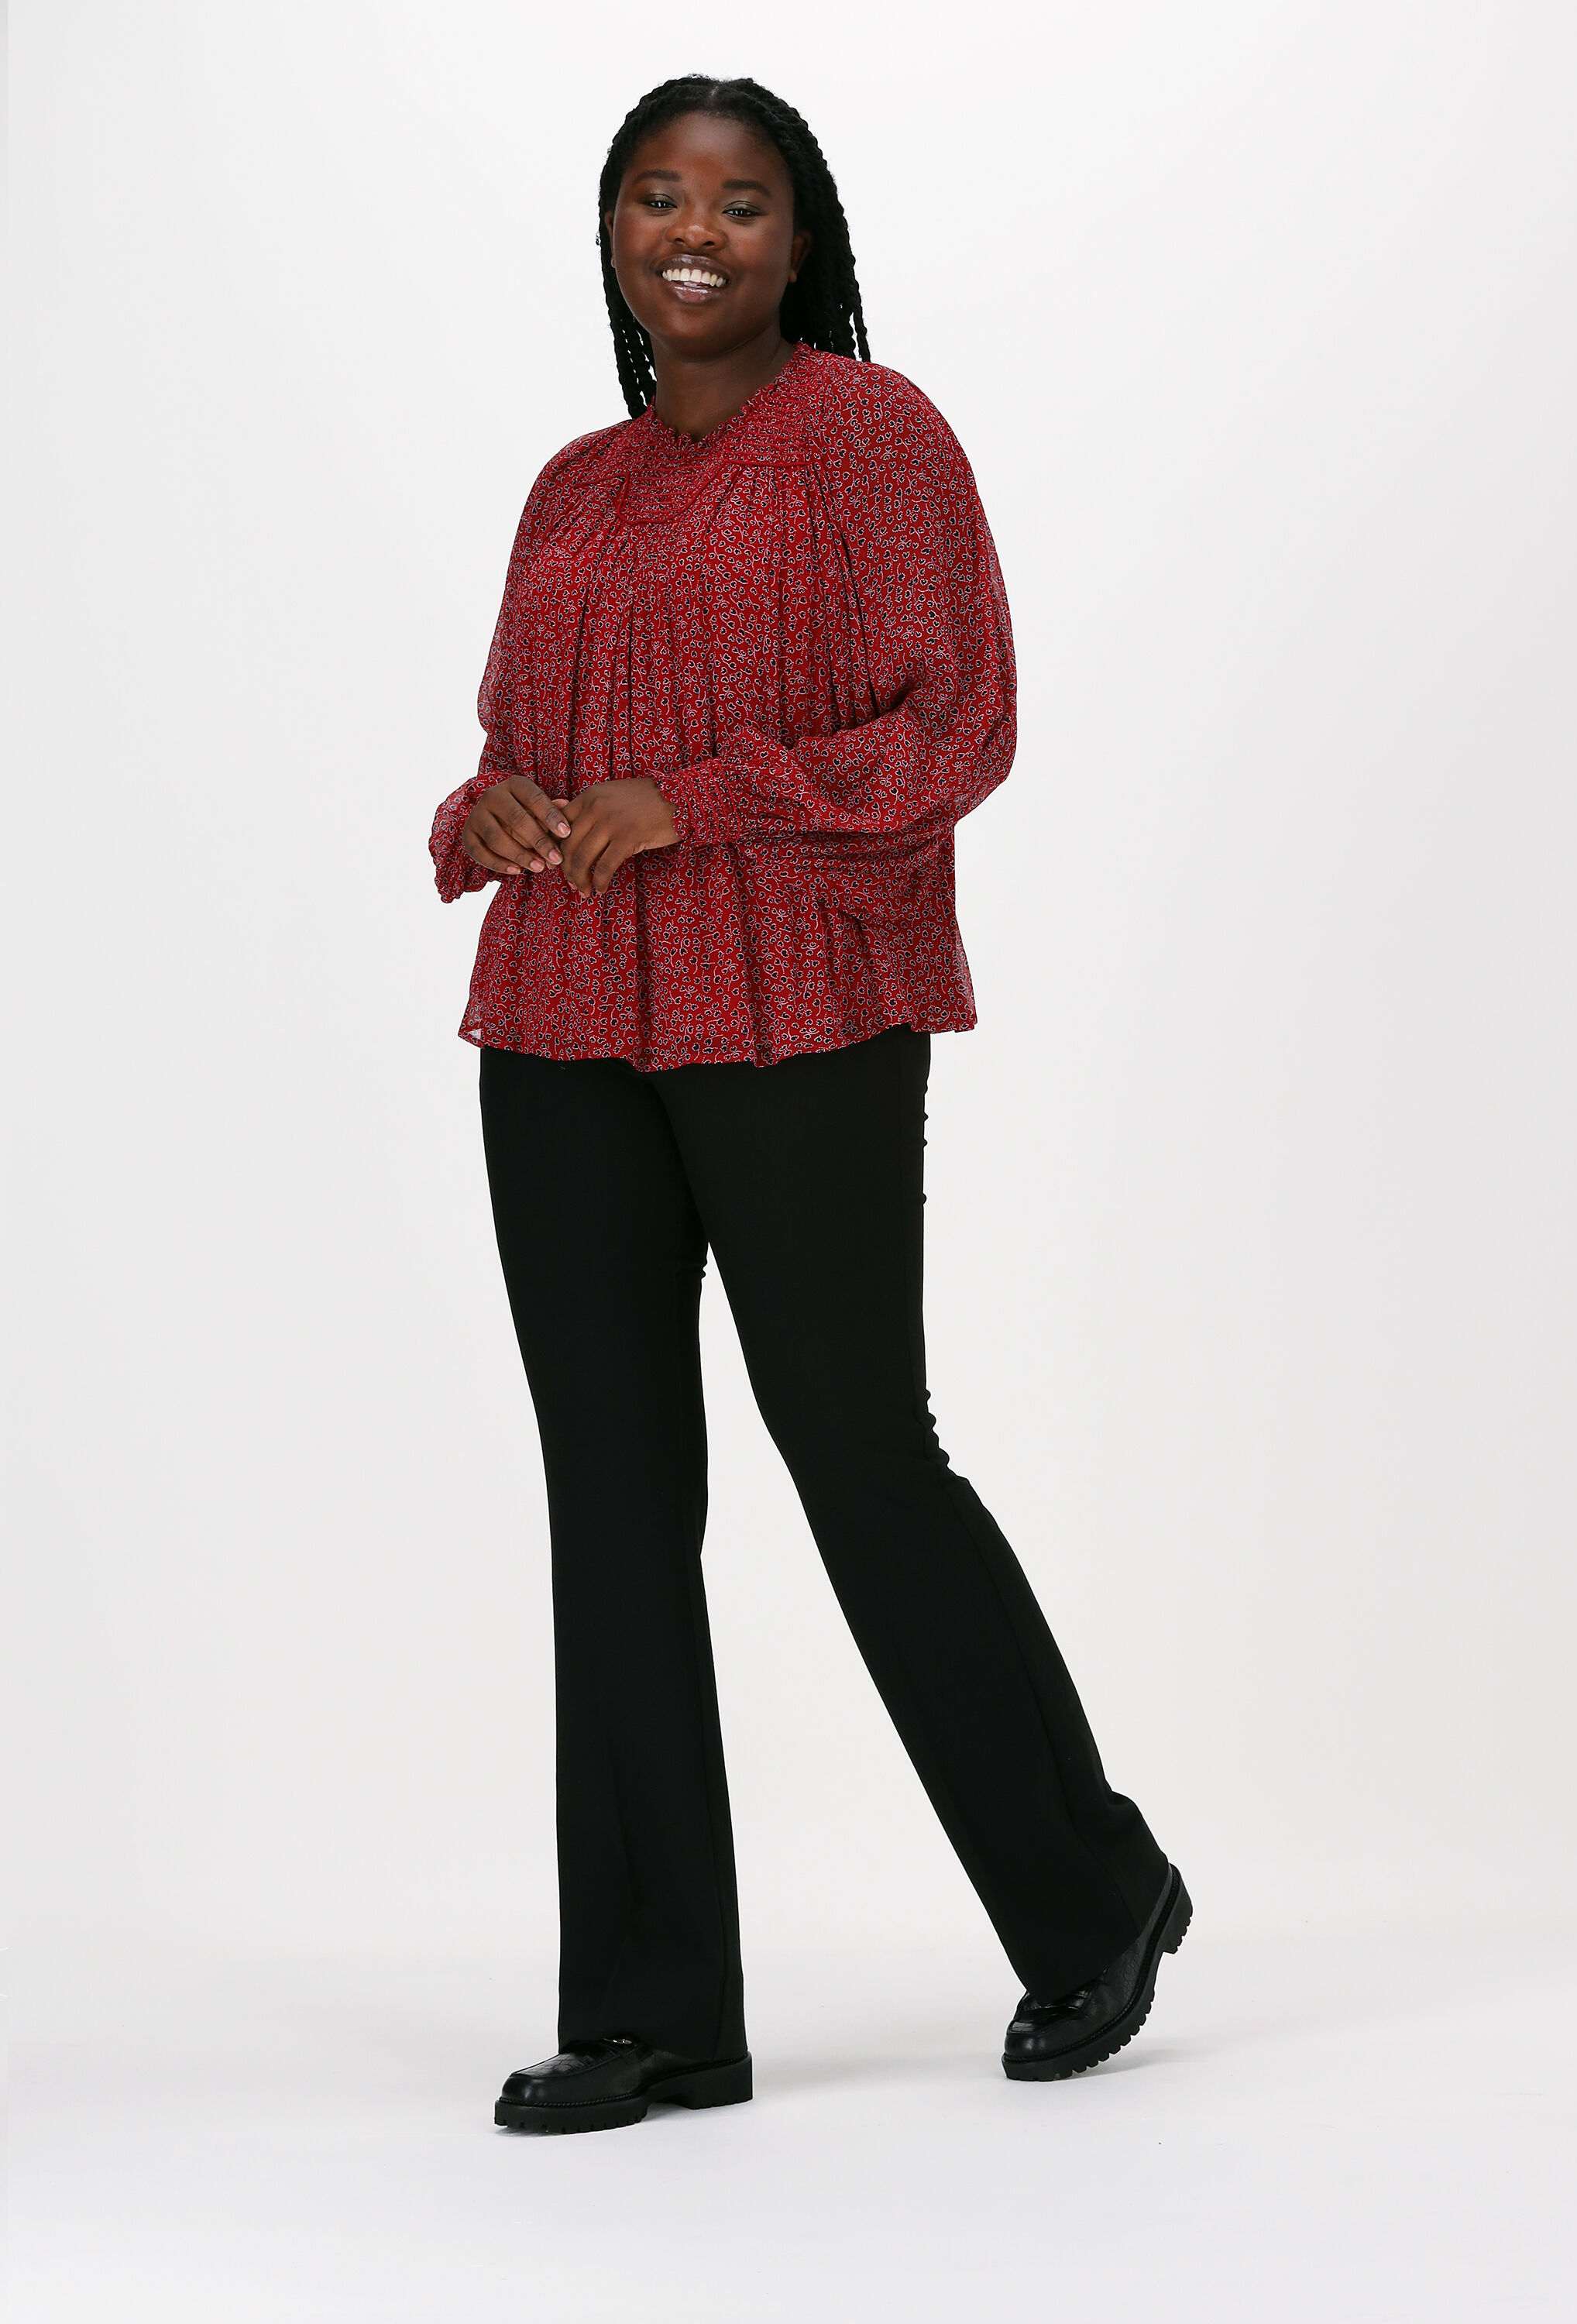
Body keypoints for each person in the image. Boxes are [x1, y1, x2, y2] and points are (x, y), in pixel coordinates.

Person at [429, 75, 1190, 2137]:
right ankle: (654, 2012)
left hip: (800, 1007)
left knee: (859, 1454)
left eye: (739, 202)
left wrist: (699, 800)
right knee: (612, 1496)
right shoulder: (571, 485)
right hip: (562, 1018)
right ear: (610, 232)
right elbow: (515, 737)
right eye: (657, 197)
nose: (694, 233)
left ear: (799, 238)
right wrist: (491, 810)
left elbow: (960, 728)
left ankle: (1092, 1890)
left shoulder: (871, 436)